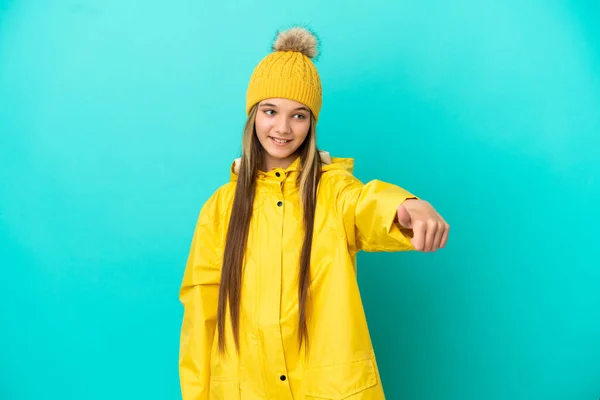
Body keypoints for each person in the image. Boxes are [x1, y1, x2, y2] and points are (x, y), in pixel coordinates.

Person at [179, 26, 449, 400]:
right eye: (270, 111)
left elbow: (367, 204)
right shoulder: (221, 208)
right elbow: (200, 313)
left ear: (312, 123)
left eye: (299, 115)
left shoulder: (333, 191)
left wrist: (406, 206)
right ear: (253, 114)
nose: (283, 128)